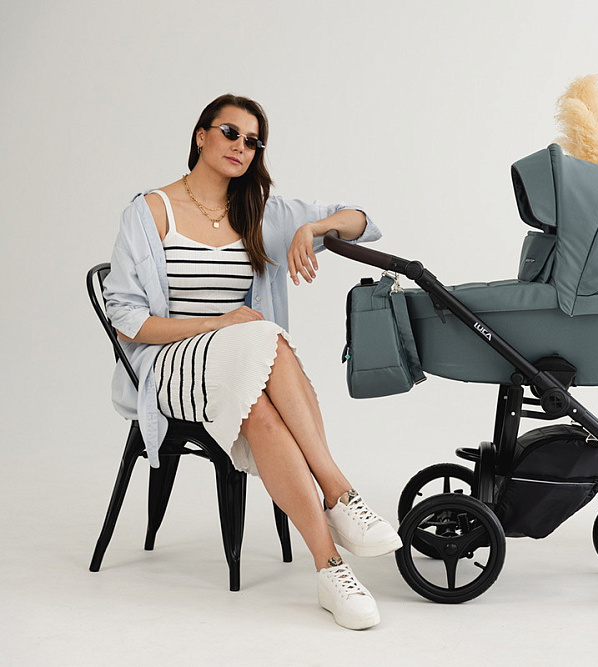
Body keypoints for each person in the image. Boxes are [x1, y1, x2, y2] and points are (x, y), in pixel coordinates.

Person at [103, 93, 398, 631]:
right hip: (167, 367)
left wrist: (312, 229)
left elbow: (363, 221)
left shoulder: (261, 211)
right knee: (266, 335)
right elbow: (126, 319)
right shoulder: (149, 212)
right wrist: (219, 323)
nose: (241, 146)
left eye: (253, 141)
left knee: (260, 409)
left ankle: (330, 568)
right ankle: (338, 492)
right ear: (201, 136)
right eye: (230, 133)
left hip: (241, 364)